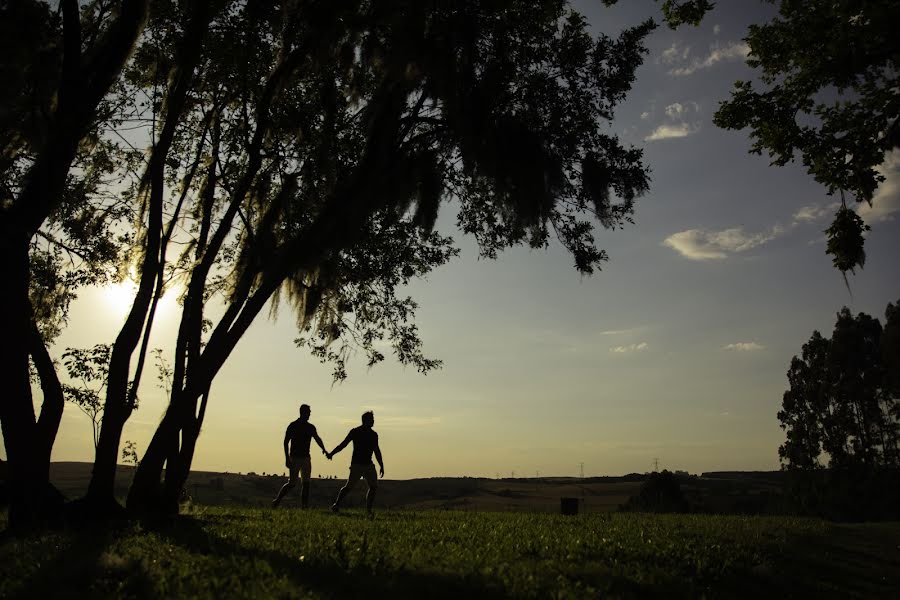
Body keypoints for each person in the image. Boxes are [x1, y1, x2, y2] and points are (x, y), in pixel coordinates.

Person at [327, 410, 384, 516]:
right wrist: (332, 453)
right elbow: (343, 444)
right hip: (357, 465)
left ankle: (368, 510)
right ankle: (336, 504)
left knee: (373, 486)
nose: (373, 421)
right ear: (366, 420)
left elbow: (377, 451)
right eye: (371, 420)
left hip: (368, 464)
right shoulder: (355, 432)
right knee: (348, 487)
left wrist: (381, 465)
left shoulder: (373, 435)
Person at [272, 404, 327, 508]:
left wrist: (323, 449)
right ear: (303, 413)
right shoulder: (293, 425)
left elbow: (317, 438)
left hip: (306, 458)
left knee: (306, 483)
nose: (310, 414)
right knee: (292, 483)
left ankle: (304, 506)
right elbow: (285, 442)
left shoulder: (310, 427)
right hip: (295, 458)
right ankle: (277, 500)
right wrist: (287, 458)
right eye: (308, 412)